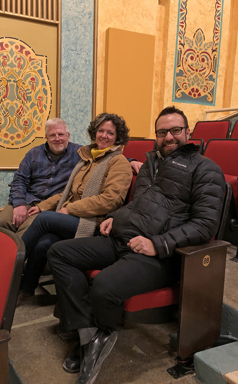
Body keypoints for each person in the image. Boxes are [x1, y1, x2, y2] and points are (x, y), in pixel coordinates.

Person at [47, 106, 226, 384]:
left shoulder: (206, 170)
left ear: (188, 132)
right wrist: (113, 217)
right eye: (162, 132)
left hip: (161, 256)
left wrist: (159, 243)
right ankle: (88, 335)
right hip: (123, 240)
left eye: (175, 130)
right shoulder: (151, 164)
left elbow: (205, 225)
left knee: (104, 287)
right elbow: (138, 204)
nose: (169, 137)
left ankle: (101, 332)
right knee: (59, 253)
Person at [17, 113, 133, 308]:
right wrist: (43, 205)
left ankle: (7, 266)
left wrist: (70, 209)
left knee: (44, 220)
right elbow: (68, 192)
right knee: (43, 244)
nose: (104, 136)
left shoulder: (118, 162)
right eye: (101, 131)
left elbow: (110, 201)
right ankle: (25, 289)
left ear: (118, 137)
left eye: (110, 133)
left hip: (95, 224)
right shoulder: (88, 159)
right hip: (78, 217)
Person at [0, 118, 142, 236]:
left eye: (61, 134)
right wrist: (19, 204)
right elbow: (19, 180)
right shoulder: (33, 153)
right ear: (46, 137)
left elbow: (106, 157)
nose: (57, 138)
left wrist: (131, 161)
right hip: (27, 200)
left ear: (68, 136)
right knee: (1, 223)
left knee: (25, 229)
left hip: (51, 206)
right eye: (52, 135)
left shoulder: (79, 153)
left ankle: (13, 264)